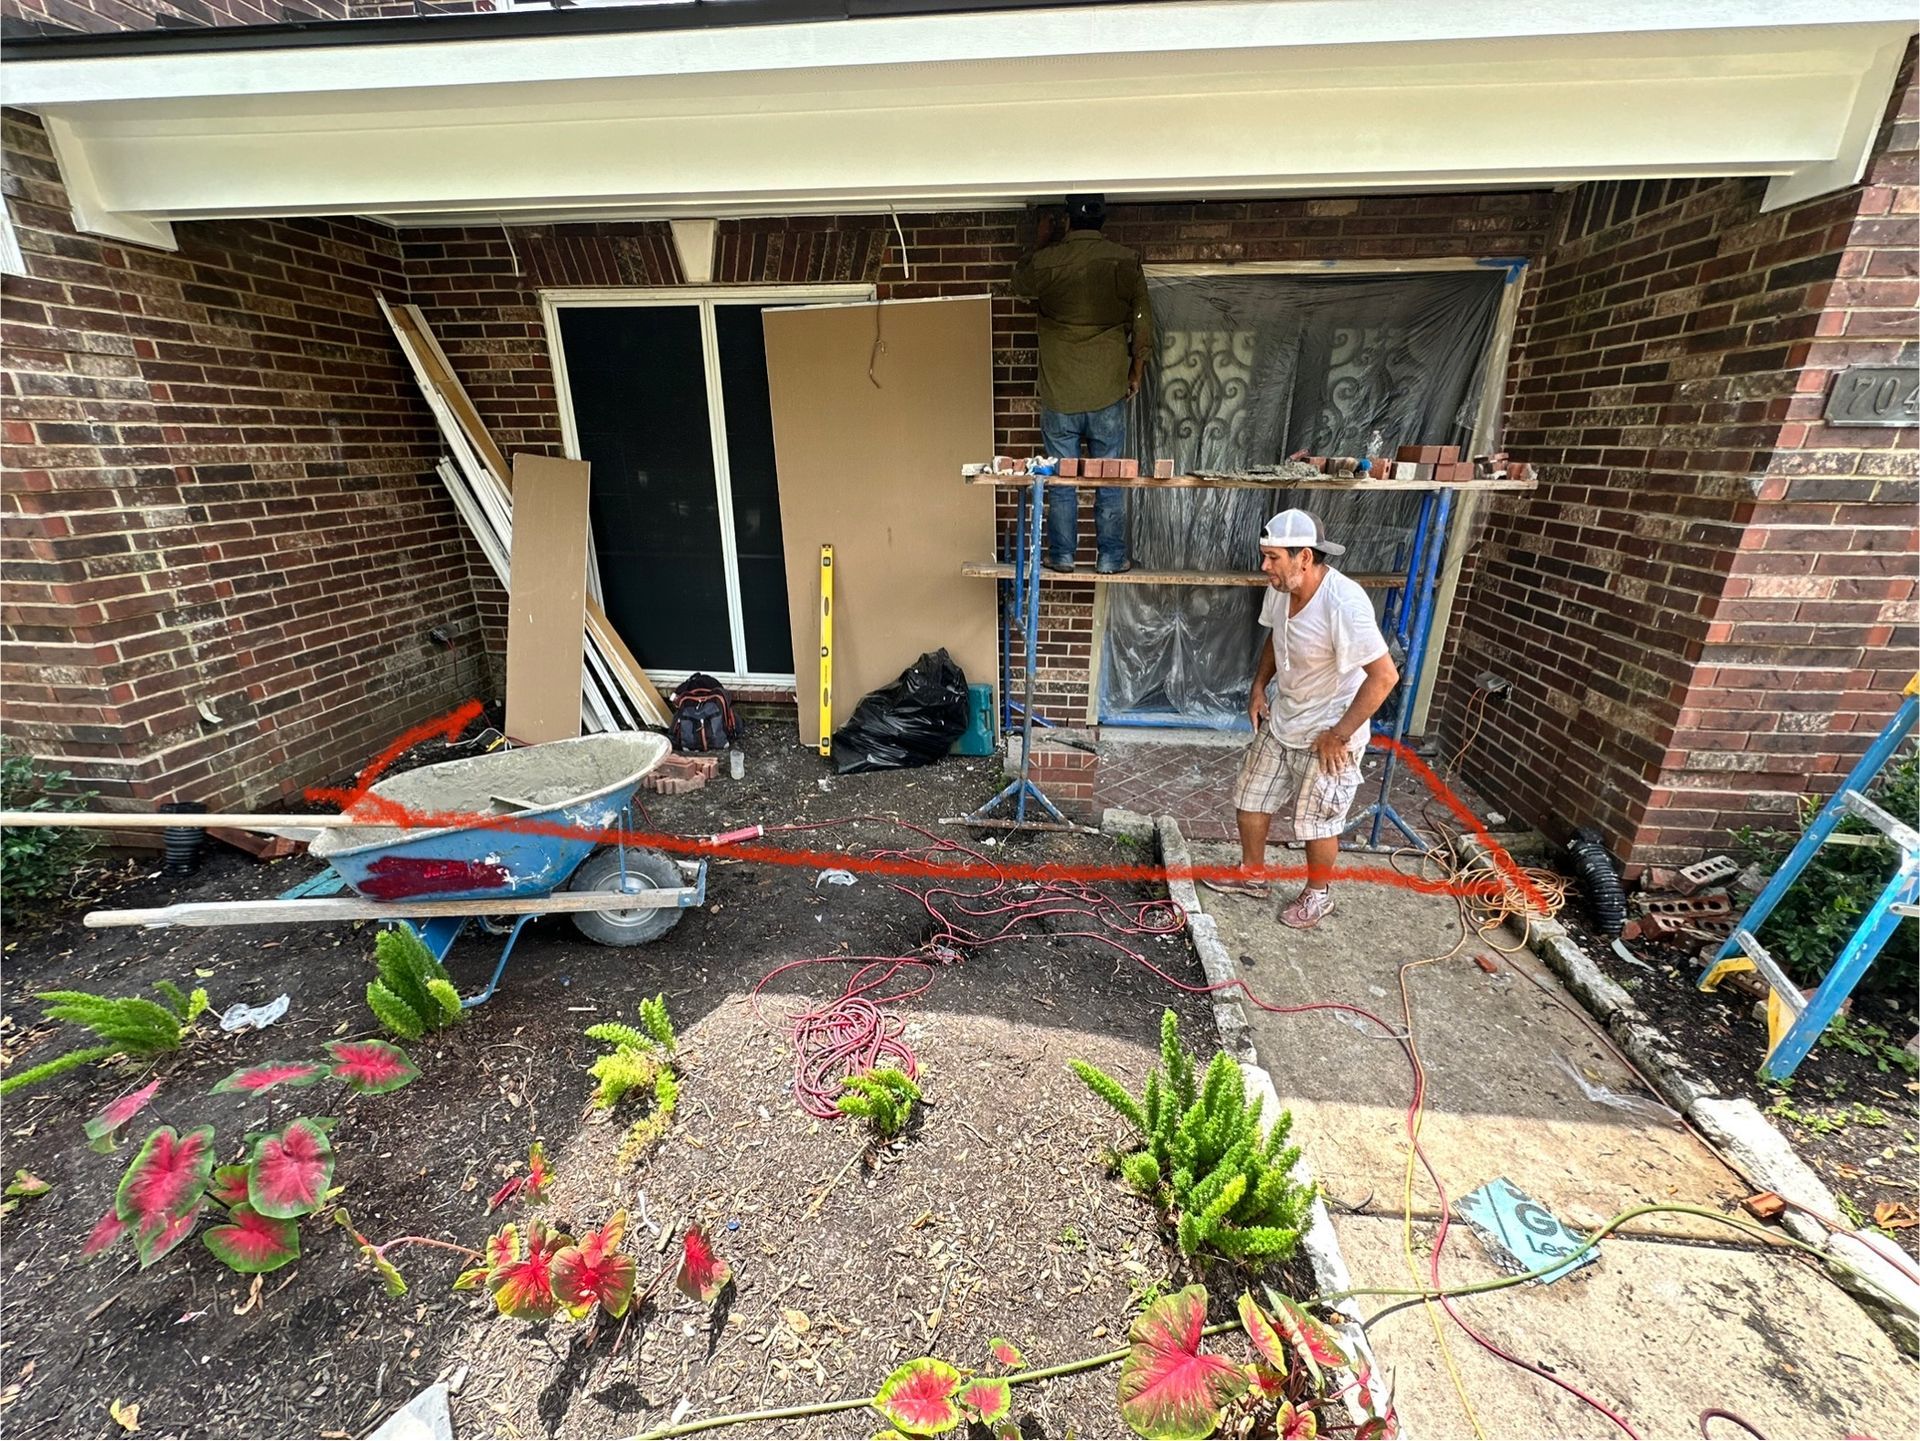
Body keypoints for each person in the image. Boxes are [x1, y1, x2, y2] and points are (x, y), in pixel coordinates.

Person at [1205, 509, 1400, 929]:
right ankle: (1252, 874)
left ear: (1305, 557)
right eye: (1264, 556)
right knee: (1250, 797)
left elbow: (1385, 677)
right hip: (1286, 714)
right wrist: (1260, 687)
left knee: (1318, 821)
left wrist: (1339, 734)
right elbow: (1277, 637)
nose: (1265, 566)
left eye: (1273, 557)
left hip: (1330, 728)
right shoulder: (1281, 587)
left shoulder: (1344, 603)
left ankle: (1318, 894)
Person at [1009, 194, 1154, 575]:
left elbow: (1019, 284)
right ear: (1103, 221)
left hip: (1060, 391)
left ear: (1067, 220)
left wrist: (1041, 241)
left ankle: (1062, 556)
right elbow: (1142, 323)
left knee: (1062, 479)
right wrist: (1136, 371)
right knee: (1110, 478)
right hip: (1108, 389)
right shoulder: (1125, 260)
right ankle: (1110, 557)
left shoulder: (1048, 261)